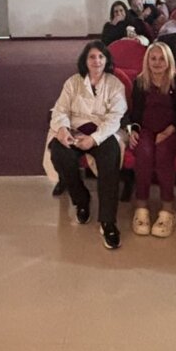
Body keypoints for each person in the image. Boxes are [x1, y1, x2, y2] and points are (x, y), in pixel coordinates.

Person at [47, 41, 128, 250]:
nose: (97, 61)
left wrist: (94, 139)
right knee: (59, 153)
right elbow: (60, 110)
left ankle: (108, 221)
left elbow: (115, 117)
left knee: (110, 160)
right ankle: (82, 199)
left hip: (103, 133)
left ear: (107, 60)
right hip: (76, 131)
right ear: (85, 60)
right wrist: (63, 129)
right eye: (92, 57)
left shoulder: (115, 84)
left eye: (101, 57)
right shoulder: (73, 82)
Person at [123, 42, 176, 238]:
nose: (157, 62)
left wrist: (169, 130)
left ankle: (168, 209)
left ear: (169, 61)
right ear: (147, 60)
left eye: (162, 59)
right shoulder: (140, 81)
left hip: (175, 131)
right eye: (153, 58)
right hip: (147, 129)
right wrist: (133, 130)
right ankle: (141, 206)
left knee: (163, 152)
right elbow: (135, 113)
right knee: (143, 151)